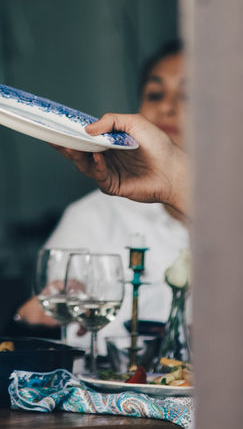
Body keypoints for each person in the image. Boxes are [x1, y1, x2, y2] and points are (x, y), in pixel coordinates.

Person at [16, 42, 188, 343]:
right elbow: (44, 330)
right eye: (155, 94)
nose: (167, 107)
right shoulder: (93, 217)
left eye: (189, 95)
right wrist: (33, 318)